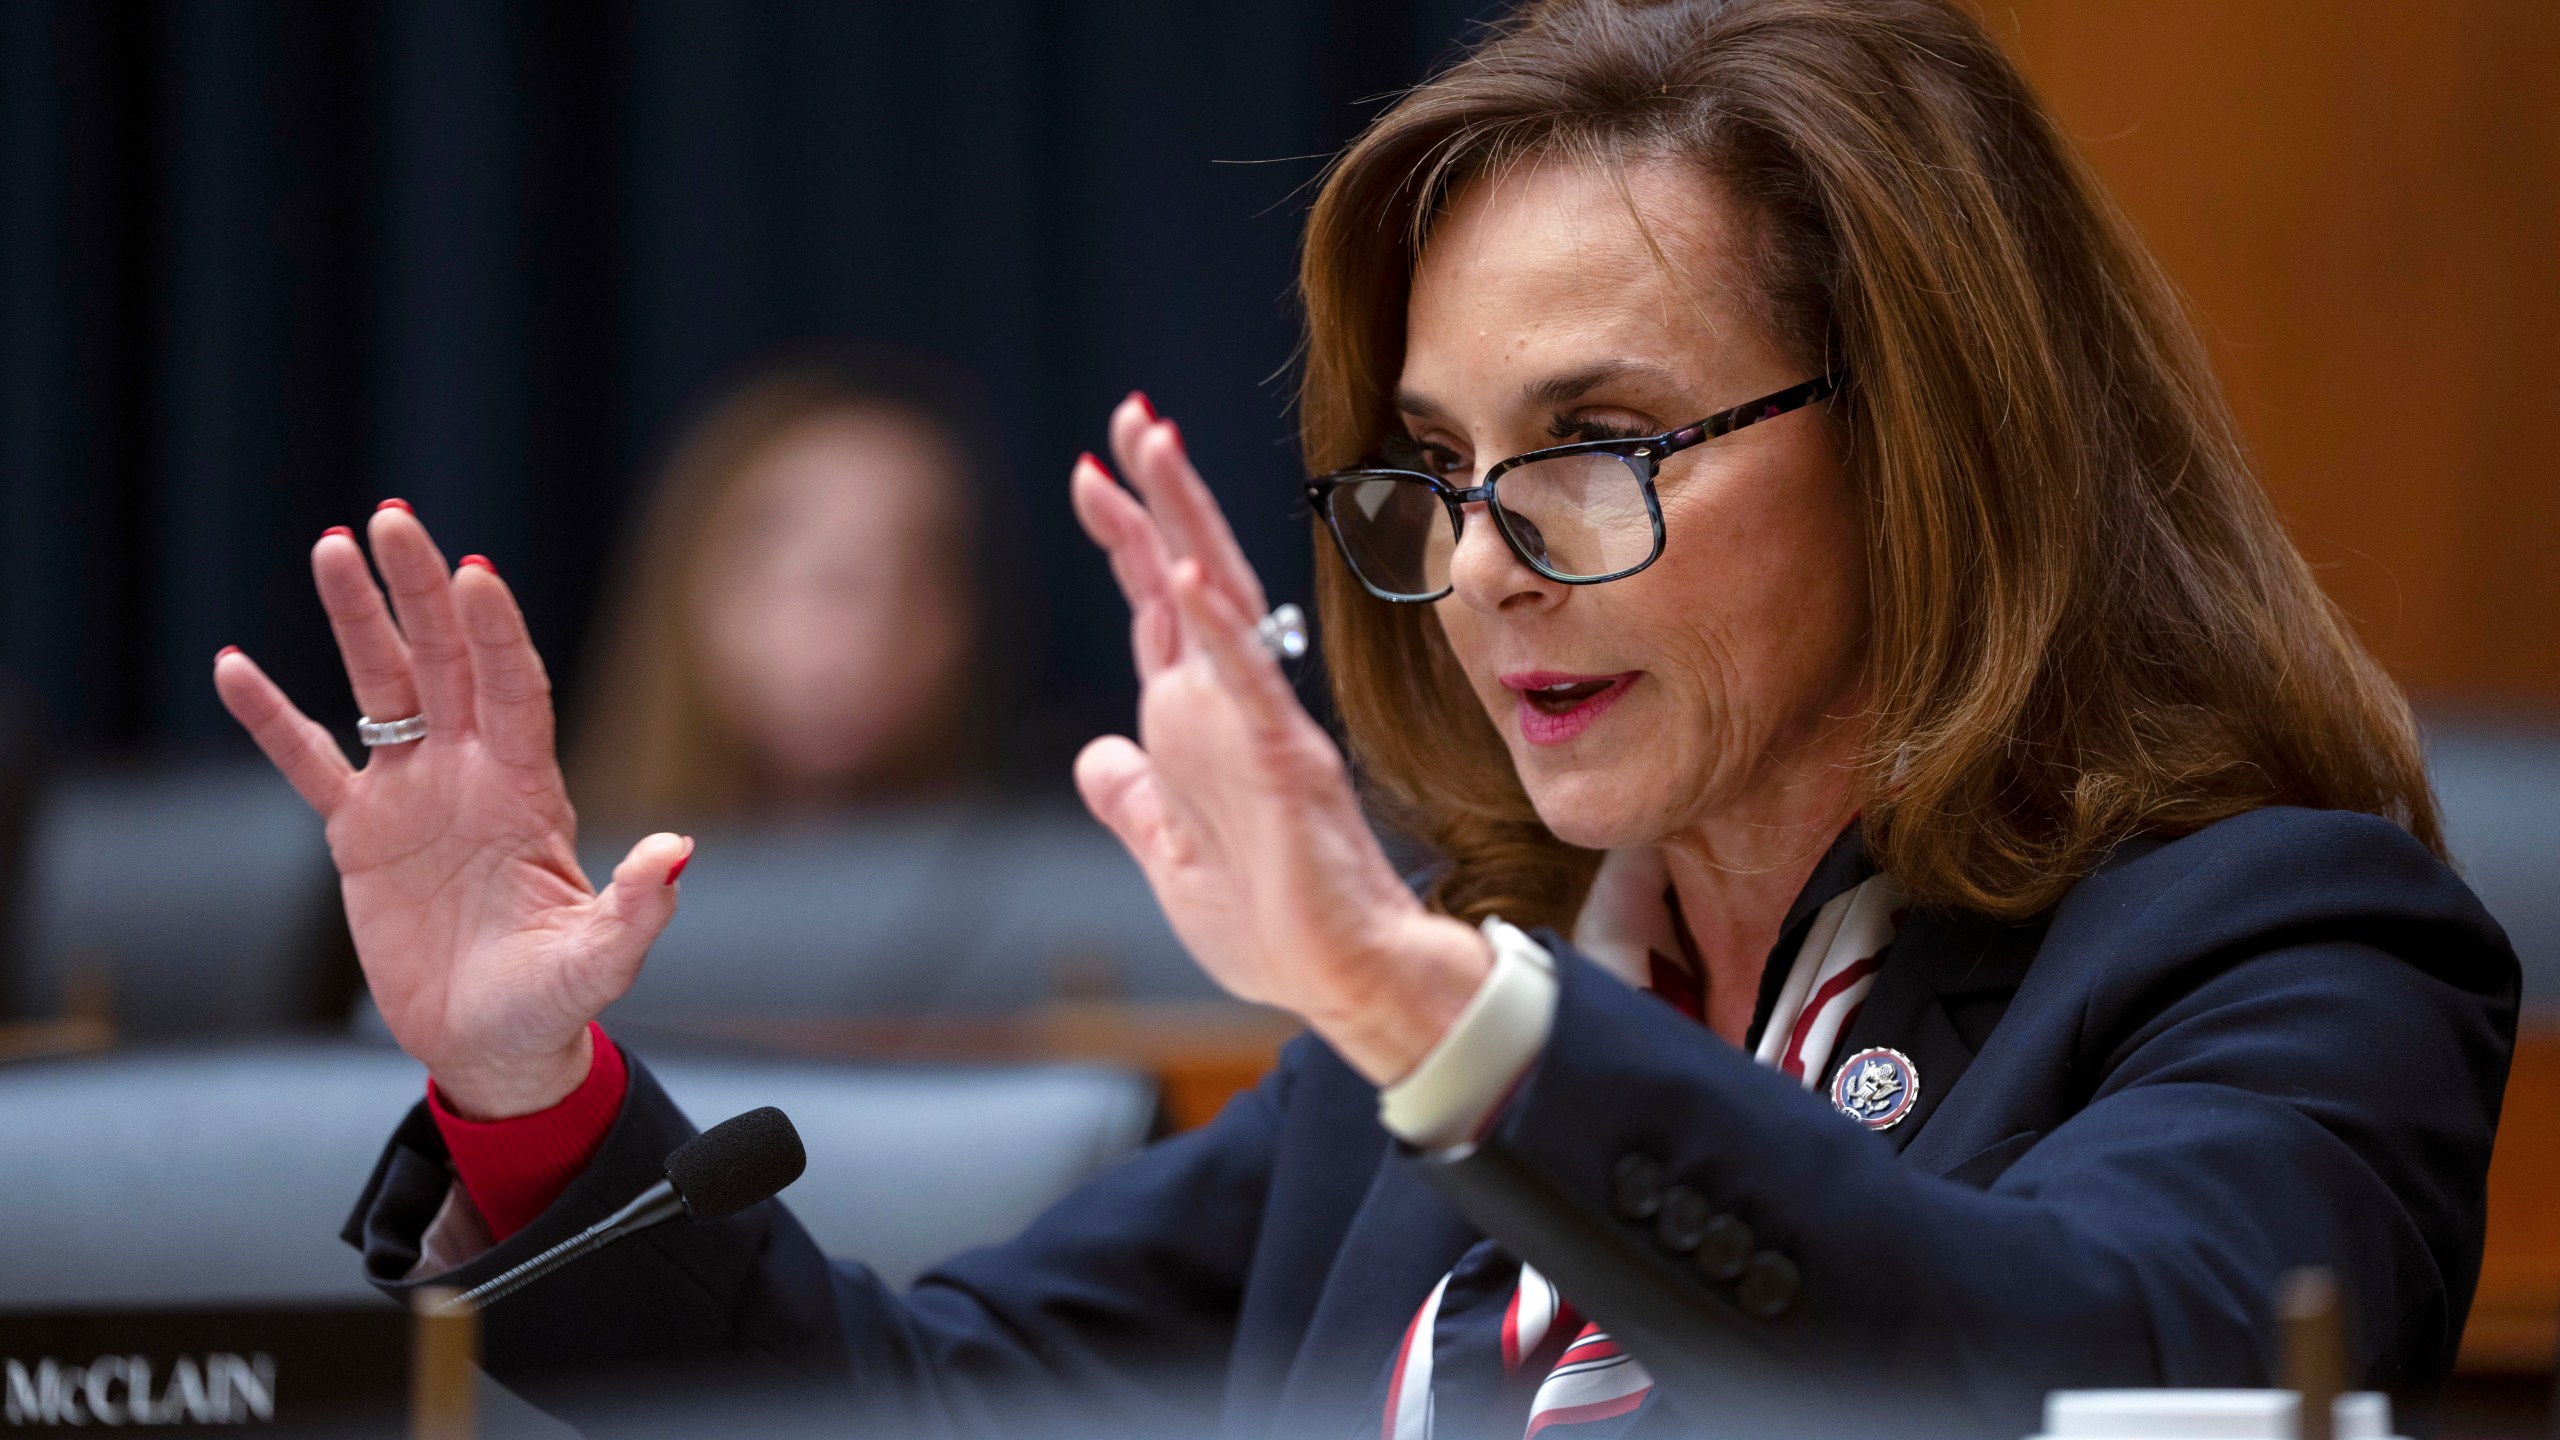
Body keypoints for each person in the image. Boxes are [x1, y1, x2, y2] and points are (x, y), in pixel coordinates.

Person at [210, 0, 2516, 1435]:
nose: (1484, 560)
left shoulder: (2284, 952)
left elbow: (2094, 1376)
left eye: (1596, 440)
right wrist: (528, 1083)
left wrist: (1439, 1016)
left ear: (1924, 439)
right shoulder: (1444, 1026)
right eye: (1431, 465)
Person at [570, 352, 1000, 833]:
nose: (865, 620)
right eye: (803, 561)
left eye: (921, 564)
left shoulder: (1061, 877)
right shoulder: (561, 882)